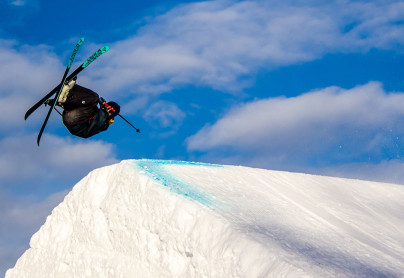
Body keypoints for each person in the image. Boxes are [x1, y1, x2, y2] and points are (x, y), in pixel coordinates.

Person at [47, 78, 120, 138]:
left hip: (76, 122)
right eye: (107, 107)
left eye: (109, 110)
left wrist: (102, 109)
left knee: (94, 99)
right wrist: (54, 103)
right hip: (72, 116)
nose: (107, 110)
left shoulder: (104, 124)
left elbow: (99, 122)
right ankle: (70, 90)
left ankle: (64, 99)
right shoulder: (96, 112)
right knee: (94, 97)